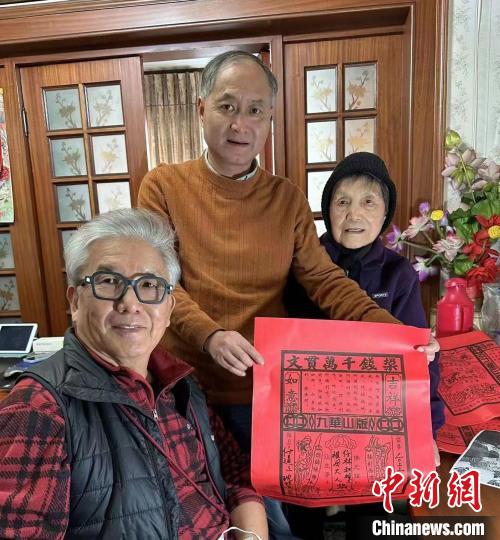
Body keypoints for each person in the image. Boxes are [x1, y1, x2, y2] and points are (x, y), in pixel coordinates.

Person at [138, 51, 438, 538]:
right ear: (201, 109)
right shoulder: (164, 186)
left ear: (270, 120)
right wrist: (210, 335)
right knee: (201, 520)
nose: (241, 123)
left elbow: (324, 280)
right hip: (186, 388)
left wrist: (399, 336)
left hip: (267, 390)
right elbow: (159, 280)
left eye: (256, 110)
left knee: (283, 523)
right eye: (227, 106)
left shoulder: (286, 199)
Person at [0, 208, 267, 540]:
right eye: (109, 282)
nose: (130, 302)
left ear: (169, 309)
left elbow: (234, 472)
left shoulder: (182, 384)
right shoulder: (39, 408)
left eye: (149, 285)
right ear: (75, 301)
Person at [284, 152, 445, 539]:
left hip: (375, 420)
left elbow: (419, 359)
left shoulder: (397, 273)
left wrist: (427, 430)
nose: (354, 214)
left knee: (376, 515)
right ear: (327, 210)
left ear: (385, 212)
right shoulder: (302, 266)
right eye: (342, 201)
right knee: (301, 514)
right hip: (309, 420)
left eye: (368, 201)